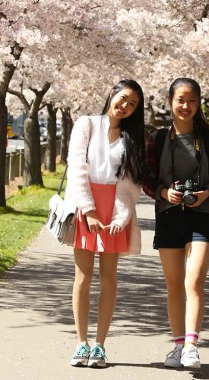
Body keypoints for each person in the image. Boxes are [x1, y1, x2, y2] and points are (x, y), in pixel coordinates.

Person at [143, 77, 209, 369]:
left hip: (201, 215)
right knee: (173, 286)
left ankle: (192, 345)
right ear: (170, 101)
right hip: (168, 215)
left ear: (199, 103)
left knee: (194, 281)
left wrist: (207, 193)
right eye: (180, 99)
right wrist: (164, 192)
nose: (186, 106)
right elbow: (147, 179)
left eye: (192, 100)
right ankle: (178, 346)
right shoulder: (156, 139)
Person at [65, 79, 145, 368]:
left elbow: (130, 183)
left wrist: (121, 217)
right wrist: (88, 210)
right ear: (112, 94)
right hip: (85, 205)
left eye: (132, 104)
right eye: (122, 98)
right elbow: (77, 168)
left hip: (114, 209)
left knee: (109, 278)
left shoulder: (132, 138)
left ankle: (100, 345)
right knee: (83, 277)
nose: (125, 106)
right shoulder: (86, 124)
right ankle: (81, 343)